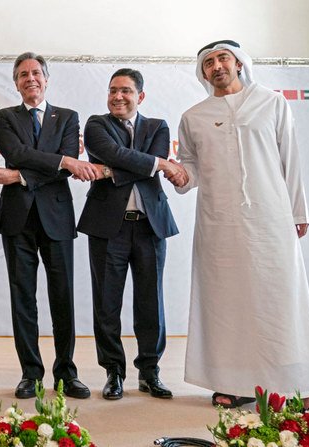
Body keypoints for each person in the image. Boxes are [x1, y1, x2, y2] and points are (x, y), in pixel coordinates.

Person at [176, 39, 309, 410]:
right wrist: (180, 176)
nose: (216, 66)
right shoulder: (193, 116)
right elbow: (192, 170)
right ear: (203, 72)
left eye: (222, 58)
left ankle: (302, 387)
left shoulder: (272, 102)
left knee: (282, 301)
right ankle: (232, 383)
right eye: (208, 62)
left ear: (239, 63)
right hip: (219, 223)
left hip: (270, 219)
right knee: (226, 304)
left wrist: (298, 211)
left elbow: (289, 158)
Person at [0, 52, 100, 399]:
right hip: (17, 219)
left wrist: (20, 176)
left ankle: (66, 371)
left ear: (46, 79)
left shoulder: (67, 117)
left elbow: (60, 169)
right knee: (24, 299)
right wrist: (62, 160)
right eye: (23, 75)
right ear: (16, 82)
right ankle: (30, 373)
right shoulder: (4, 117)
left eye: (36, 73)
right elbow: (17, 151)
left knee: (62, 298)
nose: (30, 79)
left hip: (57, 218)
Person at [78, 68, 184, 401]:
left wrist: (112, 171)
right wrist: (155, 165)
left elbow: (124, 162)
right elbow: (117, 154)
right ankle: (114, 372)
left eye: (125, 90)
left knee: (150, 301)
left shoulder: (158, 126)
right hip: (109, 226)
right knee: (107, 303)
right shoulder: (96, 125)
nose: (118, 96)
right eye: (112, 90)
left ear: (141, 96)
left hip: (150, 225)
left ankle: (149, 371)